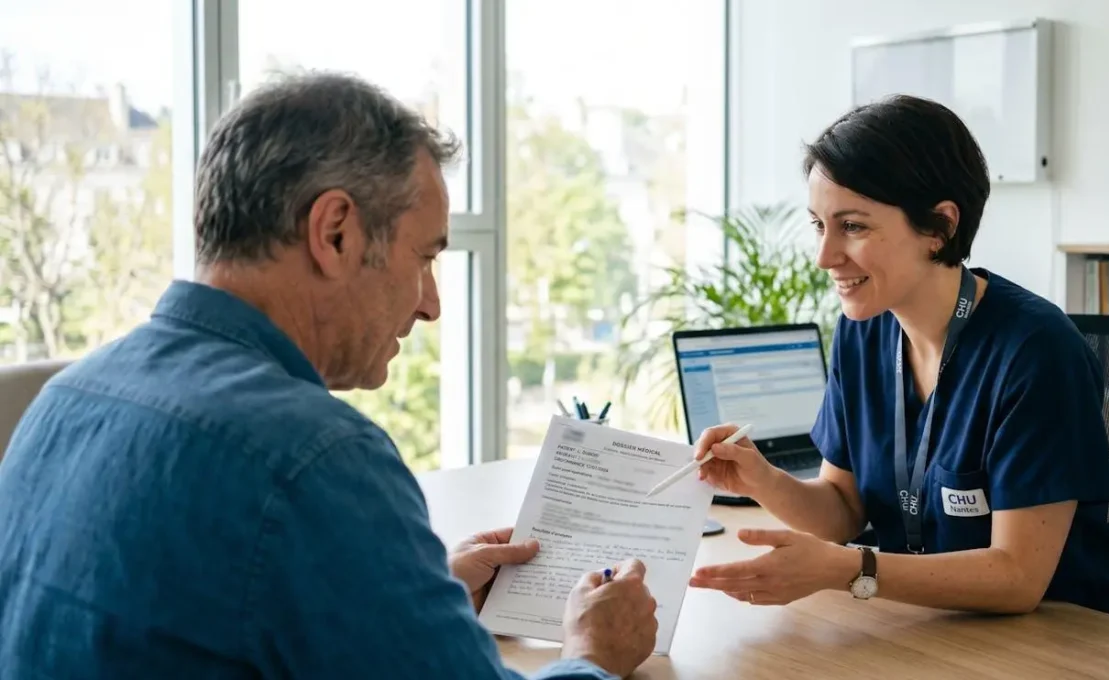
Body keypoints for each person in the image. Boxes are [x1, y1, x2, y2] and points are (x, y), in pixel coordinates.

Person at [0, 72, 656, 679]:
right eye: (424, 258)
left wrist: (406, 598)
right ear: (335, 233)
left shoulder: (63, 404)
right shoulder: (315, 459)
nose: (430, 303)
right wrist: (591, 654)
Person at [686, 95, 1109, 619]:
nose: (824, 257)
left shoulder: (1036, 352)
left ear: (939, 228)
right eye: (818, 225)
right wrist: (761, 479)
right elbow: (843, 511)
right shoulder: (864, 328)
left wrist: (846, 570)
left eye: (852, 226)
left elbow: (1017, 577)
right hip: (921, 624)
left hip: (1056, 640)